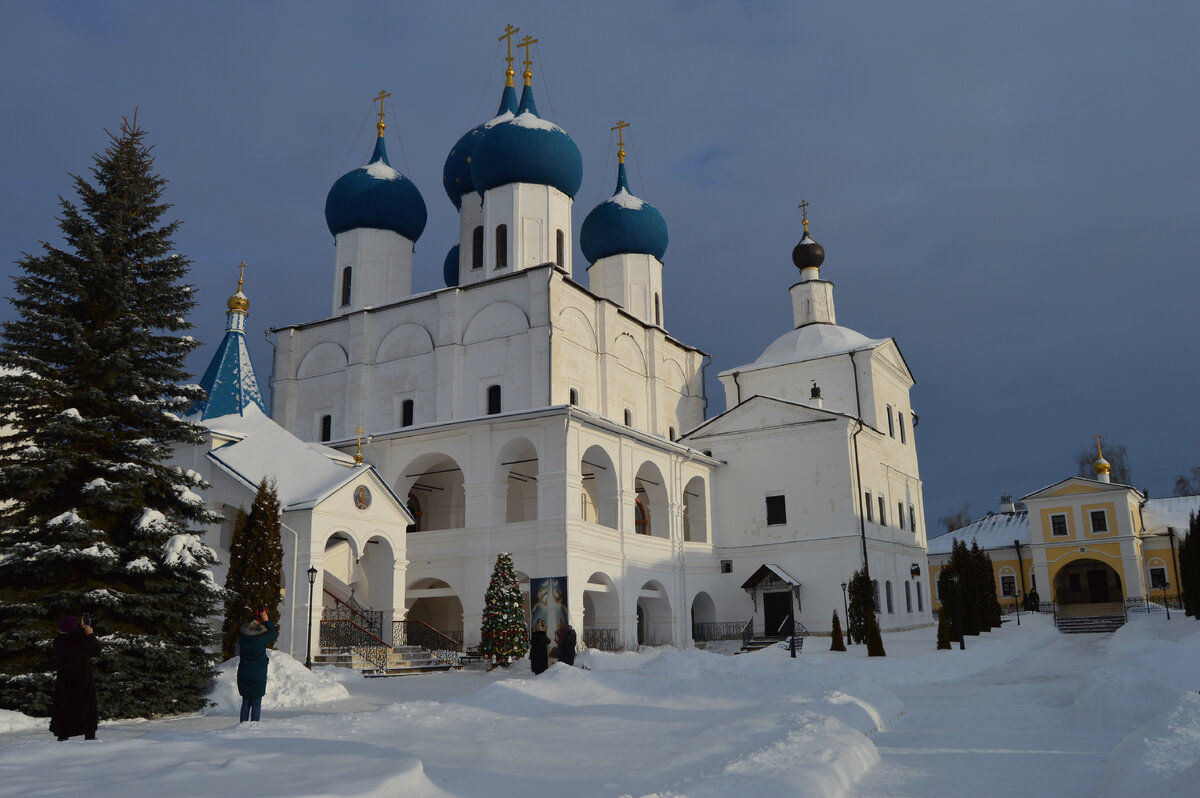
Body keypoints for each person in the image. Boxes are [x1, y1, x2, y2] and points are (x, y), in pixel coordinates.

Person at [50, 615, 101, 741]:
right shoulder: (79, 640)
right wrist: (89, 634)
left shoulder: (58, 641)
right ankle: (89, 735)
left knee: (64, 708)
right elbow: (96, 650)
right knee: (86, 708)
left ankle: (63, 736)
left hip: (64, 682)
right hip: (82, 680)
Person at [236, 609, 278, 722]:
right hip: (258, 675)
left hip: (244, 673)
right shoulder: (262, 639)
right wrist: (267, 620)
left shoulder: (242, 638)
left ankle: (242, 726)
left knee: (245, 702)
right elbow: (273, 633)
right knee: (256, 703)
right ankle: (254, 727)